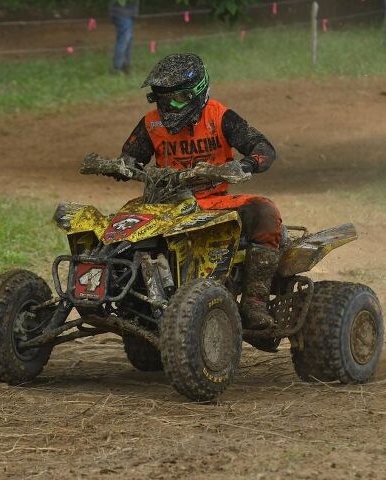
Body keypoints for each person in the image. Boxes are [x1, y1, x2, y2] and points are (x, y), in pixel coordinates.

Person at [117, 53, 282, 330]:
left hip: (214, 202)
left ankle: (254, 301)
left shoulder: (220, 116)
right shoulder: (151, 124)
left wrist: (246, 164)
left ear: (197, 93)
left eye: (177, 99)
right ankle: (128, 295)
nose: (169, 106)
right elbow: (130, 157)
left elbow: (263, 147)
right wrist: (124, 166)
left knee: (264, 211)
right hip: (166, 204)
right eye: (163, 99)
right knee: (120, 232)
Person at [109, 0, 139, 74]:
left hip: (127, 12)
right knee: (124, 39)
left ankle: (125, 65)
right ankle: (117, 68)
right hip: (121, 12)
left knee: (127, 39)